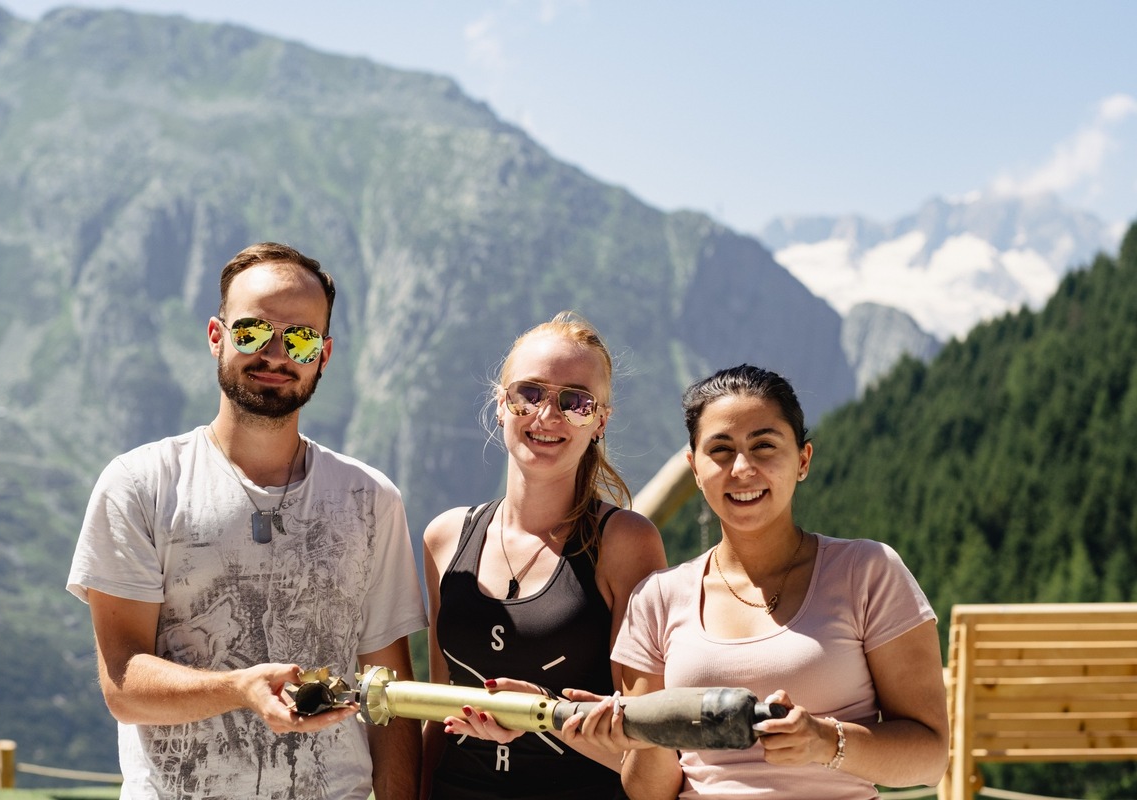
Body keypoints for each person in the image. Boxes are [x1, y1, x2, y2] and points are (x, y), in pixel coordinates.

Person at [67, 242, 426, 799]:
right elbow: (123, 684)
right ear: (218, 336)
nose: (277, 354)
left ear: (324, 355)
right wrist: (241, 687)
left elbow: (390, 698)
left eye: (301, 338)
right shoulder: (139, 484)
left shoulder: (371, 498)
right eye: (254, 332)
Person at [606, 364, 949, 799]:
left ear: (803, 459)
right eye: (721, 450)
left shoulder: (868, 572)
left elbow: (930, 757)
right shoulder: (657, 598)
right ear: (695, 468)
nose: (743, 468)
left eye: (764, 446)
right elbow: (647, 792)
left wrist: (825, 742)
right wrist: (641, 733)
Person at [420, 311, 667, 799]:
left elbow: (651, 752)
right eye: (528, 394)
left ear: (599, 422)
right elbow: (437, 709)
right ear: (500, 403)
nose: (547, 416)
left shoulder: (626, 543)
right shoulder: (444, 537)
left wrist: (545, 714)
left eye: (575, 402)